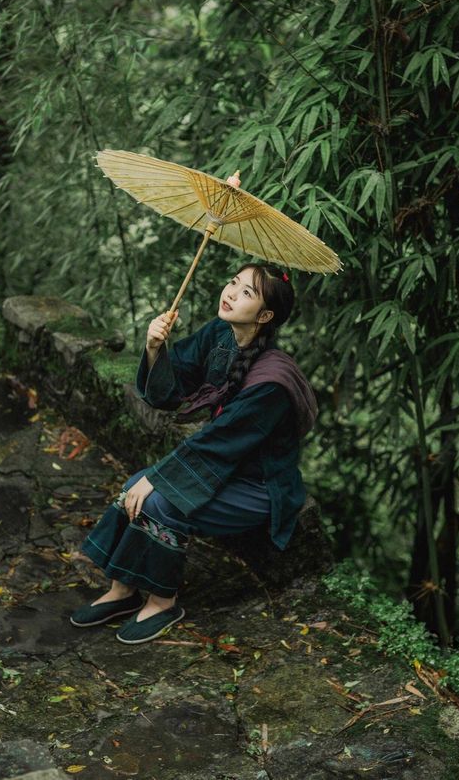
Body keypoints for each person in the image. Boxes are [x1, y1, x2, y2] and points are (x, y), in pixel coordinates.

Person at [69, 262, 318, 645]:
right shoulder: (220, 334)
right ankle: (123, 591)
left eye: (247, 292)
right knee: (136, 484)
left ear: (265, 316)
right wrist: (155, 348)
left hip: (258, 484)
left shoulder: (271, 381)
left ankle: (162, 601)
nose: (232, 292)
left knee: (161, 503)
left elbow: (220, 441)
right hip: (224, 467)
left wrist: (160, 476)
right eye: (233, 281)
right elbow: (171, 390)